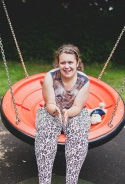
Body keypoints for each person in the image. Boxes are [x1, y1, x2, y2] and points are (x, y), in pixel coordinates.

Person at [35, 44, 91, 184]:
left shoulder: (84, 81)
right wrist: (55, 110)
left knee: (78, 134)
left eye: (70, 62)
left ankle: (71, 181)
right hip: (52, 111)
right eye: (63, 62)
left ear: (77, 63)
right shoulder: (50, 76)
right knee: (45, 133)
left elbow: (78, 106)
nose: (67, 66)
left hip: (75, 112)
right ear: (58, 63)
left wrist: (68, 112)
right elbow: (49, 103)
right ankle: (45, 181)